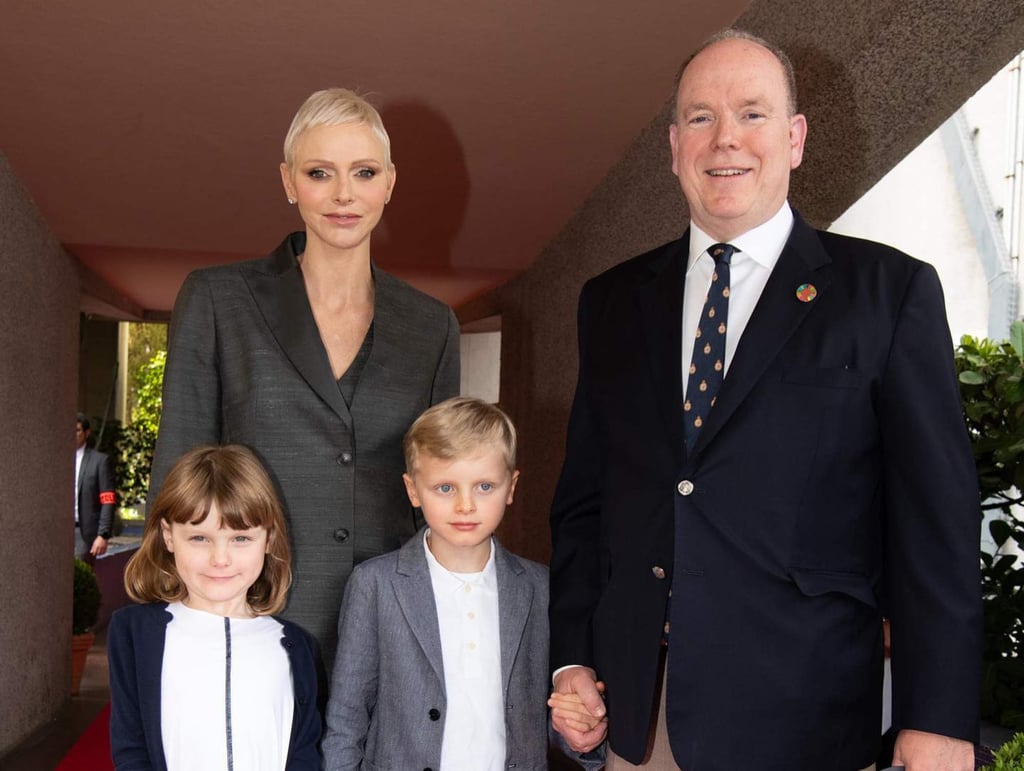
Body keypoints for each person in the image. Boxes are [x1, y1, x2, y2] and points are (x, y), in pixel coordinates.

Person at [549, 28, 981, 771]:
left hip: (805, 722)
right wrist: (572, 660)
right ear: (674, 143)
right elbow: (585, 506)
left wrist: (938, 716)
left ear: (795, 137)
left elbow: (935, 526)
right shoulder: (612, 302)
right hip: (642, 728)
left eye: (752, 113)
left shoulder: (888, 294)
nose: (726, 139)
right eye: (699, 117)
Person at [149, 88, 460, 667]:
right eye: (320, 172)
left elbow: (440, 491)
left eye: (363, 172)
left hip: (387, 629)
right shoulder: (218, 299)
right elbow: (180, 474)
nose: (344, 194)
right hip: (247, 619)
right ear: (289, 181)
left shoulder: (432, 326)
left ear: (389, 184)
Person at [321, 396, 551, 770]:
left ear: (511, 486)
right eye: (445, 488)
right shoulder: (375, 585)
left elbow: (549, 715)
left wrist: (584, 731)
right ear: (413, 490)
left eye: (484, 487)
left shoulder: (539, 588)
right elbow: (346, 719)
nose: (465, 506)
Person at [108, 444, 321, 771]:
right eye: (199, 538)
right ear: (168, 536)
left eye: (240, 539)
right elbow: (131, 748)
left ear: (268, 540)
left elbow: (304, 753)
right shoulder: (133, 634)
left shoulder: (297, 646)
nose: (220, 559)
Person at [74, 413, 115, 563]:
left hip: (84, 533)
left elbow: (108, 499)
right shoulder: (57, 459)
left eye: (77, 430)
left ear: (86, 433)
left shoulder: (99, 461)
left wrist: (103, 534)